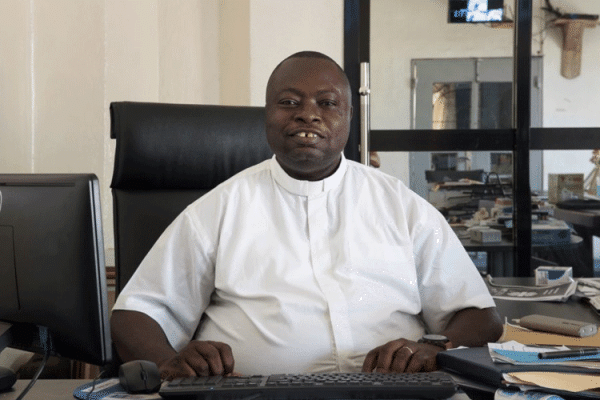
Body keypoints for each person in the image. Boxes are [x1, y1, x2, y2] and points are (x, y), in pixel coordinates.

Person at [111, 51, 503, 379]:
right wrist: (169, 363)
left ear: (349, 116)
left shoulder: (403, 206)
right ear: (267, 115)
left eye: (327, 103)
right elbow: (136, 314)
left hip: (391, 394)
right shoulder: (218, 209)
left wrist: (435, 349)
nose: (307, 115)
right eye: (289, 102)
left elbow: (479, 315)